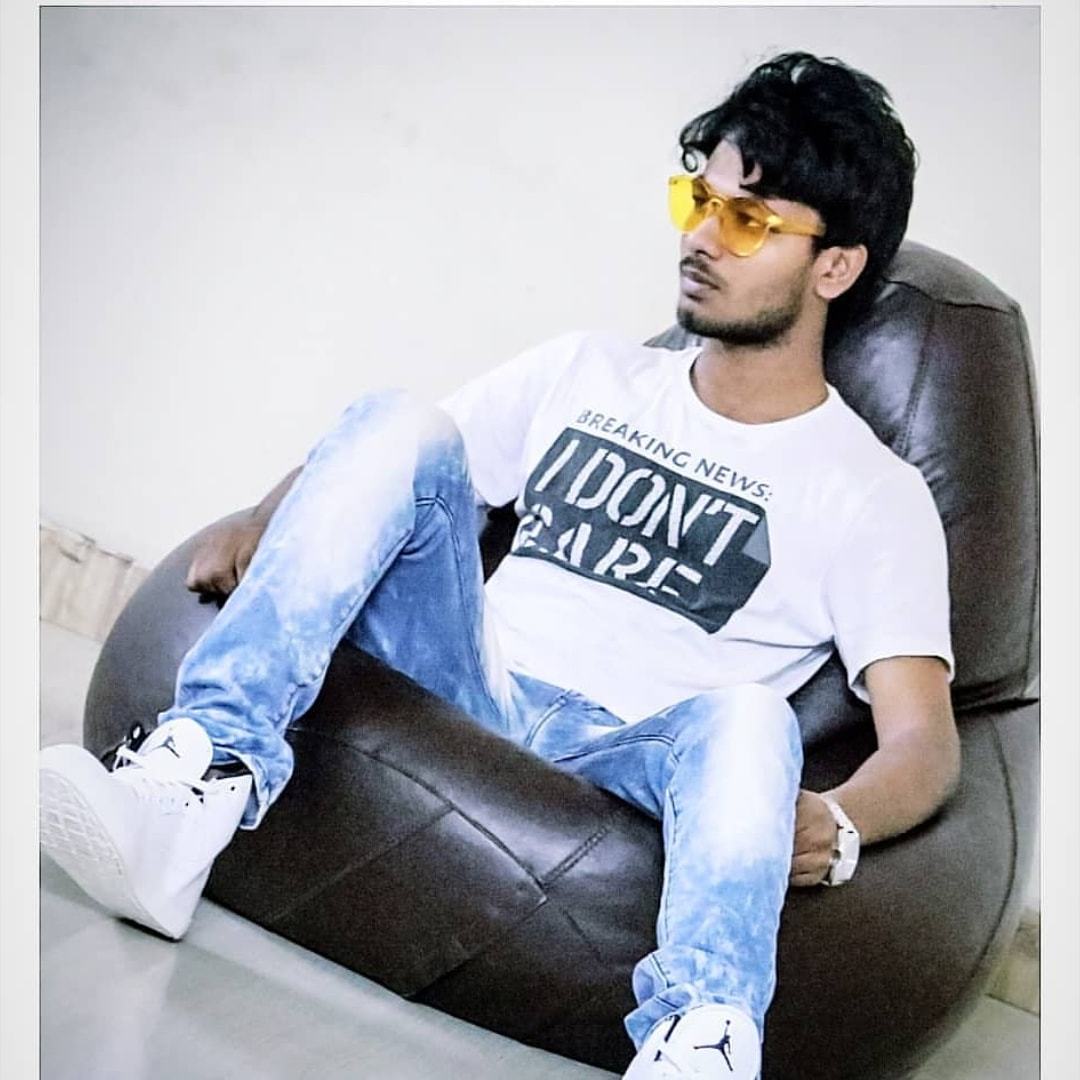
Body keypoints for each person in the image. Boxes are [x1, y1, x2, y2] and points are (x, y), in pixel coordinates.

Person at [39, 52, 960, 1080]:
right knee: (401, 415)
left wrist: (839, 819)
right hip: (470, 679)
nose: (701, 238)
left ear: (834, 267)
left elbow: (924, 742)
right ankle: (196, 786)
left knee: (752, 718)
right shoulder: (588, 369)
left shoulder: (871, 494)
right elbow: (399, 459)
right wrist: (264, 517)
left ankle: (699, 1041)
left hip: (639, 756)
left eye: (748, 221)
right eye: (698, 201)